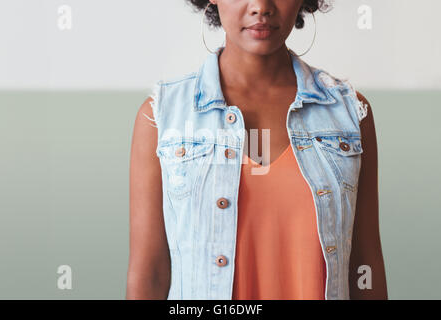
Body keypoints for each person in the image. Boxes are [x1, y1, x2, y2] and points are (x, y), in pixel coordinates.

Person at [126, 0, 387, 300]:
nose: (261, 6)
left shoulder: (350, 114)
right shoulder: (162, 118)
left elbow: (365, 264)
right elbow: (150, 275)